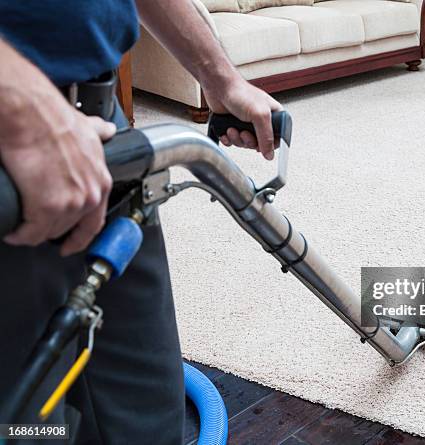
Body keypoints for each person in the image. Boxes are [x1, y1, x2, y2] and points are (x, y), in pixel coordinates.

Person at [0, 0, 281, 442]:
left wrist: (220, 78)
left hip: (103, 124)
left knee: (148, 409)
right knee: (27, 425)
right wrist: (15, 101)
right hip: (16, 154)